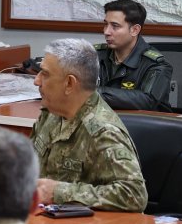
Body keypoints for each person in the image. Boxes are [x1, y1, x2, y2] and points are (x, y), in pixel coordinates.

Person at [32, 38, 147, 211]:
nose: (37, 81)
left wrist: (58, 192)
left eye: (45, 74)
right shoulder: (51, 113)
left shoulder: (103, 131)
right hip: (40, 220)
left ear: (69, 83)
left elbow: (134, 195)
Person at [95, 0, 172, 111]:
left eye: (115, 26)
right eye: (105, 24)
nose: (106, 31)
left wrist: (94, 93)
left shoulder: (157, 65)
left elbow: (148, 101)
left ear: (135, 30)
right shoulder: (93, 56)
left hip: (141, 126)